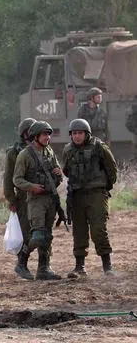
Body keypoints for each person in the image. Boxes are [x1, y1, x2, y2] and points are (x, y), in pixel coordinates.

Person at [61, 118, 117, 276]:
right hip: (77, 195)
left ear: (87, 134)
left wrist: (104, 187)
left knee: (99, 230)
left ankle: (107, 267)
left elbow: (112, 169)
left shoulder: (99, 147)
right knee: (79, 231)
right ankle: (80, 267)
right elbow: (66, 171)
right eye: (74, 133)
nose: (77, 136)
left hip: (97, 194)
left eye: (80, 133)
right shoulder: (68, 150)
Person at [12, 120, 64, 281]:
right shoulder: (25, 154)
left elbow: (58, 175)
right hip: (35, 200)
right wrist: (32, 187)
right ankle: (22, 262)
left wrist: (58, 173)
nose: (47, 137)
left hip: (50, 198)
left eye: (48, 134)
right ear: (35, 136)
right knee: (38, 236)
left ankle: (44, 268)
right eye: (44, 134)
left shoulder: (49, 151)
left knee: (47, 236)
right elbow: (17, 179)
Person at [4, 117, 36, 279]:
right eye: (31, 131)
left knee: (42, 232)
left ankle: (45, 266)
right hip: (23, 198)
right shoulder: (14, 152)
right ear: (24, 133)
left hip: (41, 197)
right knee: (25, 233)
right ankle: (22, 264)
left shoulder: (42, 148)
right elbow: (9, 178)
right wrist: (11, 199)